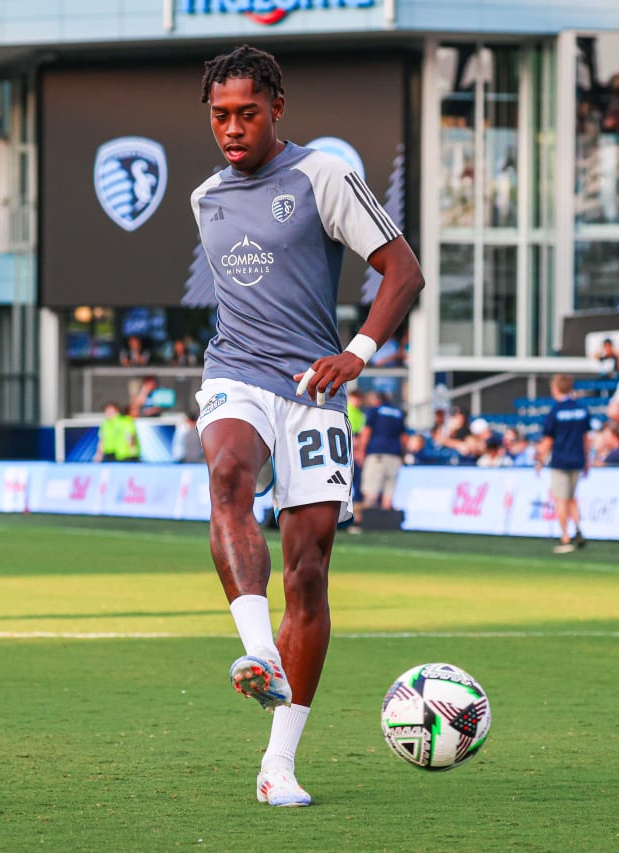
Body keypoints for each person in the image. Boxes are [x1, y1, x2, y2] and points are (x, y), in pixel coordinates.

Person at [190, 45, 424, 807]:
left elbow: (403, 270)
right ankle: (259, 653)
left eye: (246, 113)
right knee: (226, 473)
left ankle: (278, 763)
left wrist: (355, 352)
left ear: (276, 109)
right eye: (220, 114)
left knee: (310, 574)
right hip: (236, 373)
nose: (231, 127)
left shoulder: (321, 174)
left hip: (315, 389)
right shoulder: (205, 198)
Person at [535, 374, 591, 554]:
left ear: (556, 388)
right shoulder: (582, 409)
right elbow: (586, 438)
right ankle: (578, 529)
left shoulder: (556, 411)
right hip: (577, 460)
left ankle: (565, 537)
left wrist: (540, 460)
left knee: (560, 500)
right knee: (572, 498)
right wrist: (587, 461)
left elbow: (548, 441)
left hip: (560, 461)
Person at [356, 391, 406, 517]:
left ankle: (368, 522)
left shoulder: (374, 411)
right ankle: (385, 524)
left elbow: (366, 431)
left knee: (371, 491)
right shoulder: (398, 413)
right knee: (389, 491)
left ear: (377, 400)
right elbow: (404, 437)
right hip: (395, 455)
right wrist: (402, 455)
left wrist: (361, 451)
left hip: (377, 454)